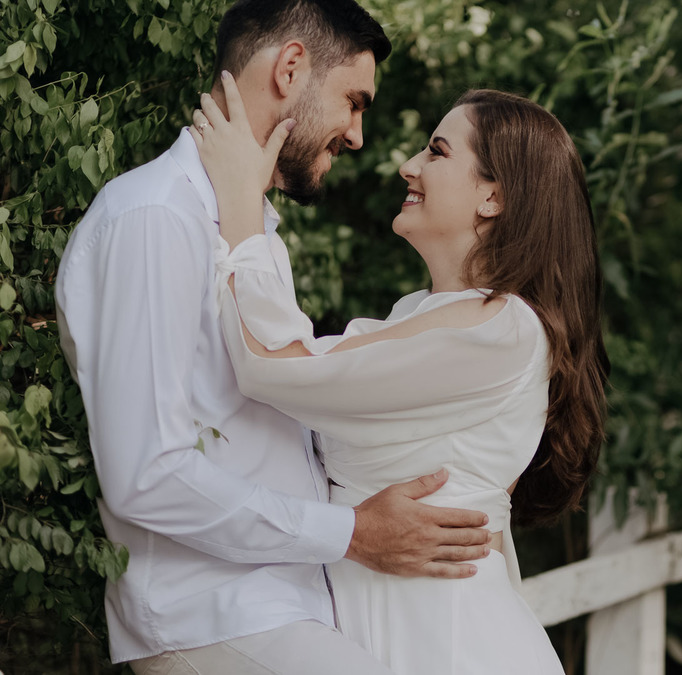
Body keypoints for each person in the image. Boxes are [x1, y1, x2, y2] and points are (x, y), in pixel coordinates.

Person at [53, 2, 493, 673]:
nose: (358, 134)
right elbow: (146, 472)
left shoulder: (248, 233)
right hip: (209, 614)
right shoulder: (155, 218)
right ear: (291, 68)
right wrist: (352, 533)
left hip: (283, 611)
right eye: (353, 101)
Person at [188, 75, 608, 673]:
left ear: (494, 196)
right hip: (391, 631)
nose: (409, 166)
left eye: (437, 152)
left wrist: (239, 200)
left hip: (453, 642)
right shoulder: (427, 315)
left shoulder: (501, 329)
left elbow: (272, 365)